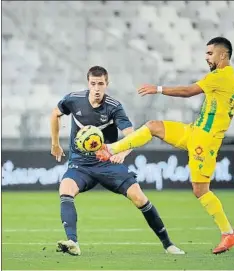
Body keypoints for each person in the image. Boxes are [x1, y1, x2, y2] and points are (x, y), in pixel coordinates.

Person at [96, 38, 234, 254]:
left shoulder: (219, 77)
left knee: (200, 190)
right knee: (154, 126)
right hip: (194, 132)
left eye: (210, 53)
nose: (207, 57)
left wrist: (158, 88)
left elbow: (188, 92)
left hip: (204, 141)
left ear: (223, 55)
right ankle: (111, 149)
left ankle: (228, 233)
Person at [50, 66, 183, 256]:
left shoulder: (114, 106)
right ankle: (72, 242)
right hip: (81, 164)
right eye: (93, 84)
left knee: (139, 198)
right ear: (88, 83)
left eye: (101, 84)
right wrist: (55, 143)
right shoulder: (74, 100)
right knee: (65, 189)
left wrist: (123, 152)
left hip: (108, 163)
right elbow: (55, 114)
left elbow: (132, 135)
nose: (97, 88)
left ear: (107, 84)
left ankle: (169, 245)